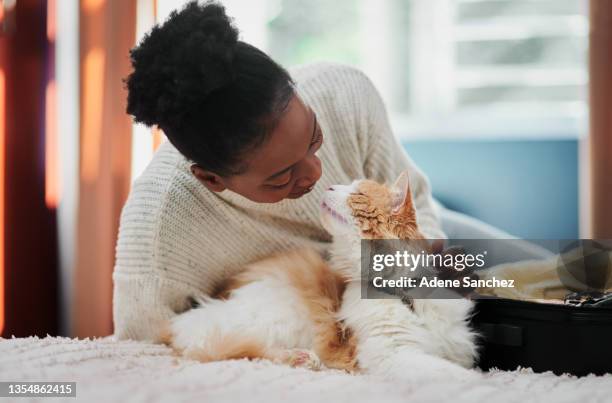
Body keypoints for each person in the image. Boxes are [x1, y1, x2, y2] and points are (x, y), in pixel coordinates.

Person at [113, 1, 550, 341]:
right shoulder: (158, 234)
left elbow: (410, 203)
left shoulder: (344, 92)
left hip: (410, 252)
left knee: (569, 279)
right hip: (316, 306)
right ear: (211, 179)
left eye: (315, 138)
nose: (315, 173)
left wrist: (425, 267)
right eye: (280, 178)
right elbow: (148, 353)